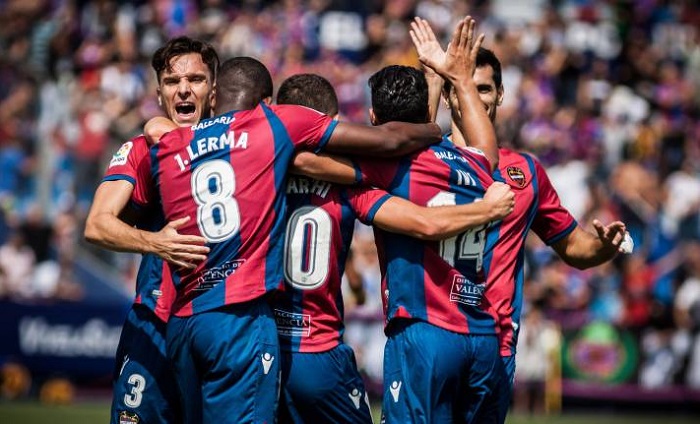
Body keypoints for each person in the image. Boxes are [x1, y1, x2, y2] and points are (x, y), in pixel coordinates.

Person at [130, 56, 445, 424]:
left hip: (217, 325)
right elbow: (416, 204)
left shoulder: (222, 159)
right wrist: (436, 127)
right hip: (307, 345)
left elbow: (163, 134)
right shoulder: (336, 175)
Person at [410, 17, 630, 422]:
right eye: (463, 85)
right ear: (448, 94)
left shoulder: (526, 171)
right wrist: (435, 79)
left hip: (494, 345)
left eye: (483, 88)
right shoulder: (423, 160)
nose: (474, 96)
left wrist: (602, 247)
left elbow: (574, 248)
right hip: (429, 333)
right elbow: (409, 145)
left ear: (500, 95)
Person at [292, 16, 504, 423]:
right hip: (481, 335)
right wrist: (455, 77)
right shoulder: (477, 163)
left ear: (373, 116)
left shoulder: (385, 167)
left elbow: (305, 162)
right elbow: (486, 146)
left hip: (425, 331)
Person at [83, 36, 217, 424]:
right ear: (159, 94)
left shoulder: (241, 147)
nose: (183, 89)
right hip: (156, 323)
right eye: (172, 82)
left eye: (195, 79)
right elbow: (97, 224)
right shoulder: (142, 150)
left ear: (214, 92)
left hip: (219, 328)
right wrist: (156, 242)